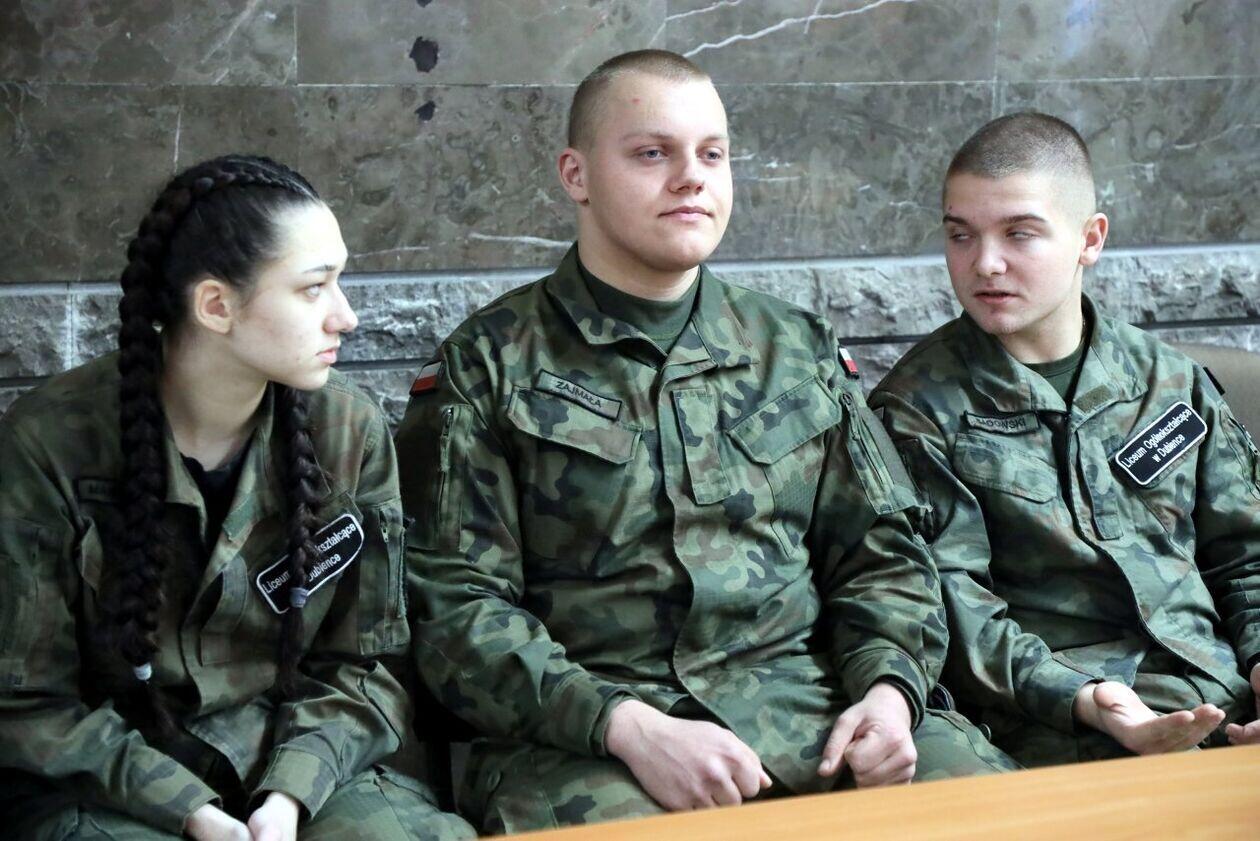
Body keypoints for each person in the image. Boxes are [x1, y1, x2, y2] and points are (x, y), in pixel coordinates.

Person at [396, 50, 1015, 835]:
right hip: (586, 744)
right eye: (653, 153)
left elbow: (883, 552)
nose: (692, 178)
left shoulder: (796, 347)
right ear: (576, 175)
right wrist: (624, 725)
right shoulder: (490, 363)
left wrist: (889, 693)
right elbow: (454, 611)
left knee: (1015, 815)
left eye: (712, 154)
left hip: (815, 708)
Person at [0, 155, 474, 840]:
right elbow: (26, 704)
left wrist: (290, 795)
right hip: (112, 781)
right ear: (216, 306)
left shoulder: (347, 430)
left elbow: (366, 665)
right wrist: (191, 811)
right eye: (313, 289)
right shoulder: (52, 443)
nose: (346, 316)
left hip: (303, 759)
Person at [869, 112, 1260, 768]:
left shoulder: (1168, 381)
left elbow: (1244, 554)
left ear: (1090, 239)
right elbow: (951, 609)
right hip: (1063, 728)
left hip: (1225, 691)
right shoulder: (917, 410)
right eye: (961, 235)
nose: (984, 263)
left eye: (1018, 233)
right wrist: (1086, 699)